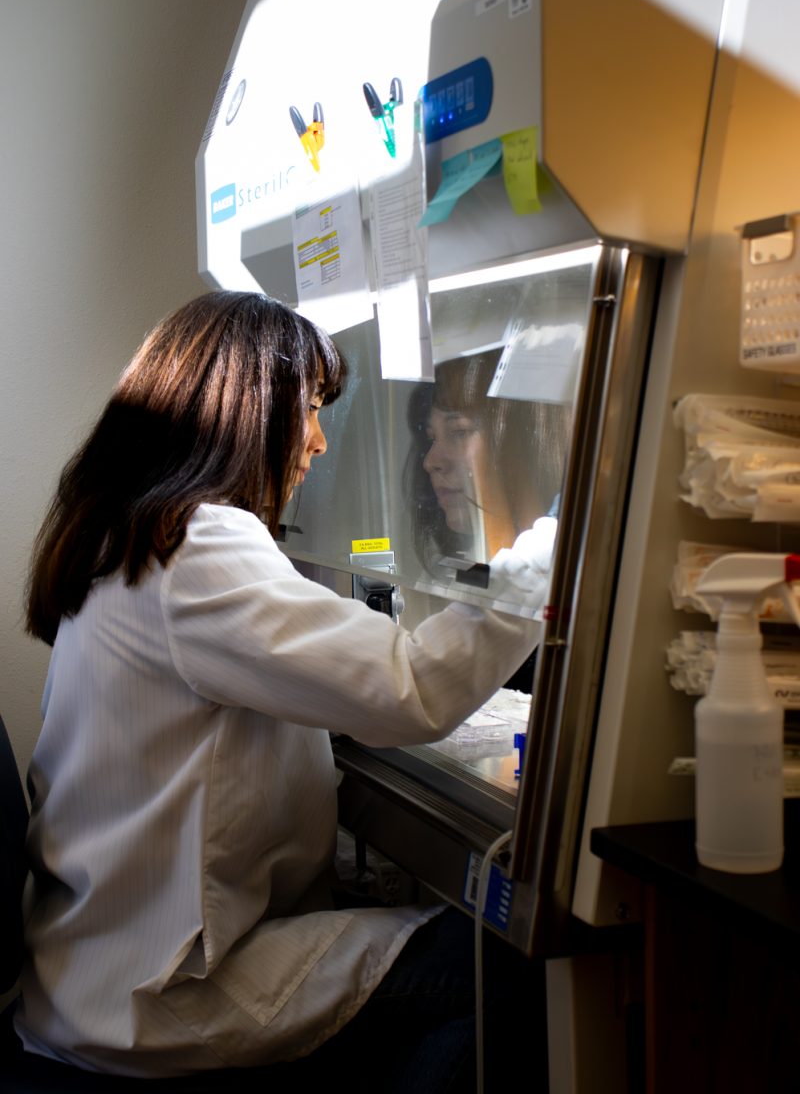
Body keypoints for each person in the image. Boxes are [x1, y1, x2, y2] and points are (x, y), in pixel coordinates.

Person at [14, 290, 546, 1087]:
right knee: (511, 966)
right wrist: (556, 553)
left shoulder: (129, 535)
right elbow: (408, 689)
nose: (321, 441)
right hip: (162, 994)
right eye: (309, 410)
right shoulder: (196, 545)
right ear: (248, 410)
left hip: (91, 967)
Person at [404, 349, 569, 572]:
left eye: (459, 432)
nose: (430, 462)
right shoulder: (477, 569)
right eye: (432, 438)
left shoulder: (556, 561)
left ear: (522, 438)